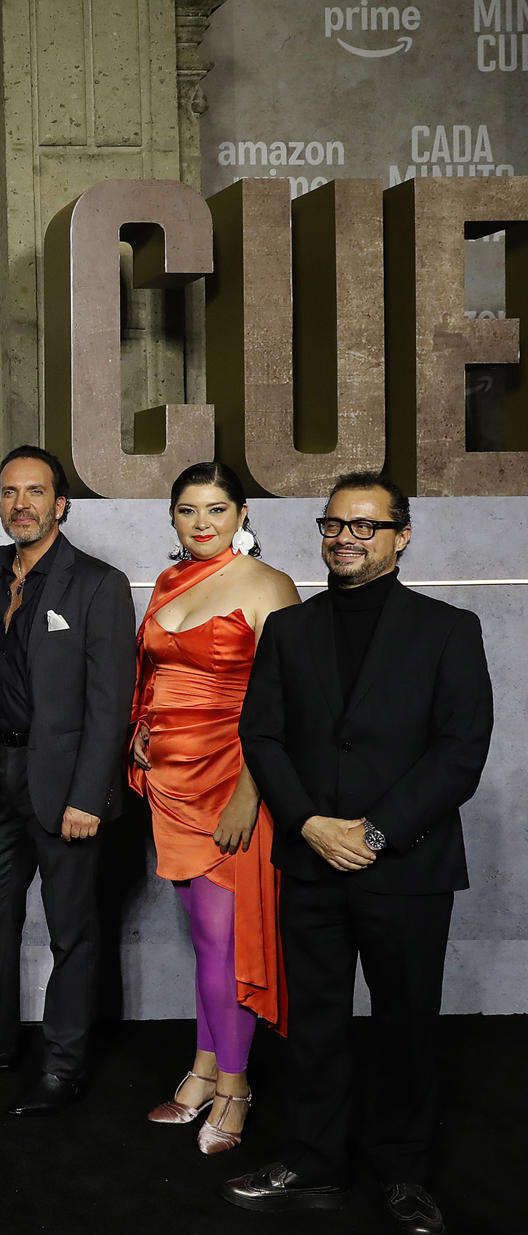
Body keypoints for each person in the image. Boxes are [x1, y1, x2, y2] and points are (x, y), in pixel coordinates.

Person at [222, 473, 491, 1235]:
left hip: (405, 866)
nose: (346, 536)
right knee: (313, 1023)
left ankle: (403, 1174)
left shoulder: (449, 629)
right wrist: (307, 822)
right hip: (309, 860)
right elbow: (262, 735)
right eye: (334, 523)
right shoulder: (290, 630)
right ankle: (313, 1162)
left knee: (405, 1025)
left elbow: (460, 753)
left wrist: (371, 832)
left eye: (365, 526)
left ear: (402, 536)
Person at [0, 445, 134, 1116]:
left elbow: (111, 705)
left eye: (35, 491)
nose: (21, 503)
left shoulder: (99, 583)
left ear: (61, 503)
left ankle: (63, 1064)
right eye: (9, 492)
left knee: (71, 932)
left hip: (64, 784)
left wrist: (88, 794)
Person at [128, 463, 298, 1154]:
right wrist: (141, 728)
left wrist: (251, 795)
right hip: (172, 786)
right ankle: (202, 1070)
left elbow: (290, 705)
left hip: (234, 785)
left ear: (243, 513)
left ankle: (236, 1086)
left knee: (228, 945)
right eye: (189, 510)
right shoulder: (169, 582)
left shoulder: (271, 587)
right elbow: (156, 669)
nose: (203, 523)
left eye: (217, 509)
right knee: (205, 939)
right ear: (172, 517)